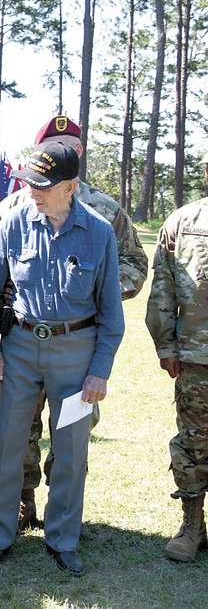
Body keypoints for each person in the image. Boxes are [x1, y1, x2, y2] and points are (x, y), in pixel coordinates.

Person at [0, 114, 147, 531]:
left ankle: (63, 536)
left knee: (71, 447)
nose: (32, 191)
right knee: (8, 445)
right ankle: (0, 533)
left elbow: (112, 313)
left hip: (75, 356)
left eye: (42, 185)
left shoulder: (100, 228)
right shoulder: (13, 219)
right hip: (19, 349)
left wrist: (99, 371)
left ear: (71, 185)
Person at [145, 155, 208, 562]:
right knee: (194, 443)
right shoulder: (184, 222)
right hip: (196, 357)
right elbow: (162, 288)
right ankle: (191, 524)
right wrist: (166, 345)